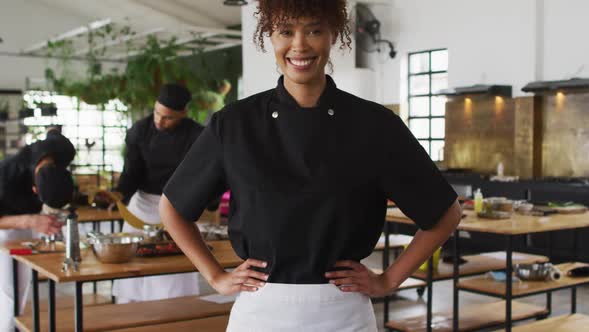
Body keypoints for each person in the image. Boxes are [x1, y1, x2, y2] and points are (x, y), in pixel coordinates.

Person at [160, 1, 462, 330]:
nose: (299, 45)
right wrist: (215, 275)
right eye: (285, 32)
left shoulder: (375, 125)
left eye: (314, 30)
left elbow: (445, 213)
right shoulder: (233, 124)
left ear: (334, 34)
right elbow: (173, 207)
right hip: (261, 311)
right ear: (270, 37)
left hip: (343, 312)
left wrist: (388, 280)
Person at [111, 83, 206, 303]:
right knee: (133, 267)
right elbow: (131, 172)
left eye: (168, 118)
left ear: (183, 113)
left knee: (173, 274)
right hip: (142, 206)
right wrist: (118, 195)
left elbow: (202, 176)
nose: (159, 121)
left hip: (178, 207)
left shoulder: (197, 135)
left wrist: (205, 205)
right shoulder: (140, 130)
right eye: (157, 113)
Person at [0, 129, 75, 331]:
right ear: (34, 189)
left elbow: (54, 133)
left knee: (24, 286)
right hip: (6, 226)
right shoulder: (6, 176)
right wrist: (30, 220)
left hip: (31, 222)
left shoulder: (64, 150)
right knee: (9, 291)